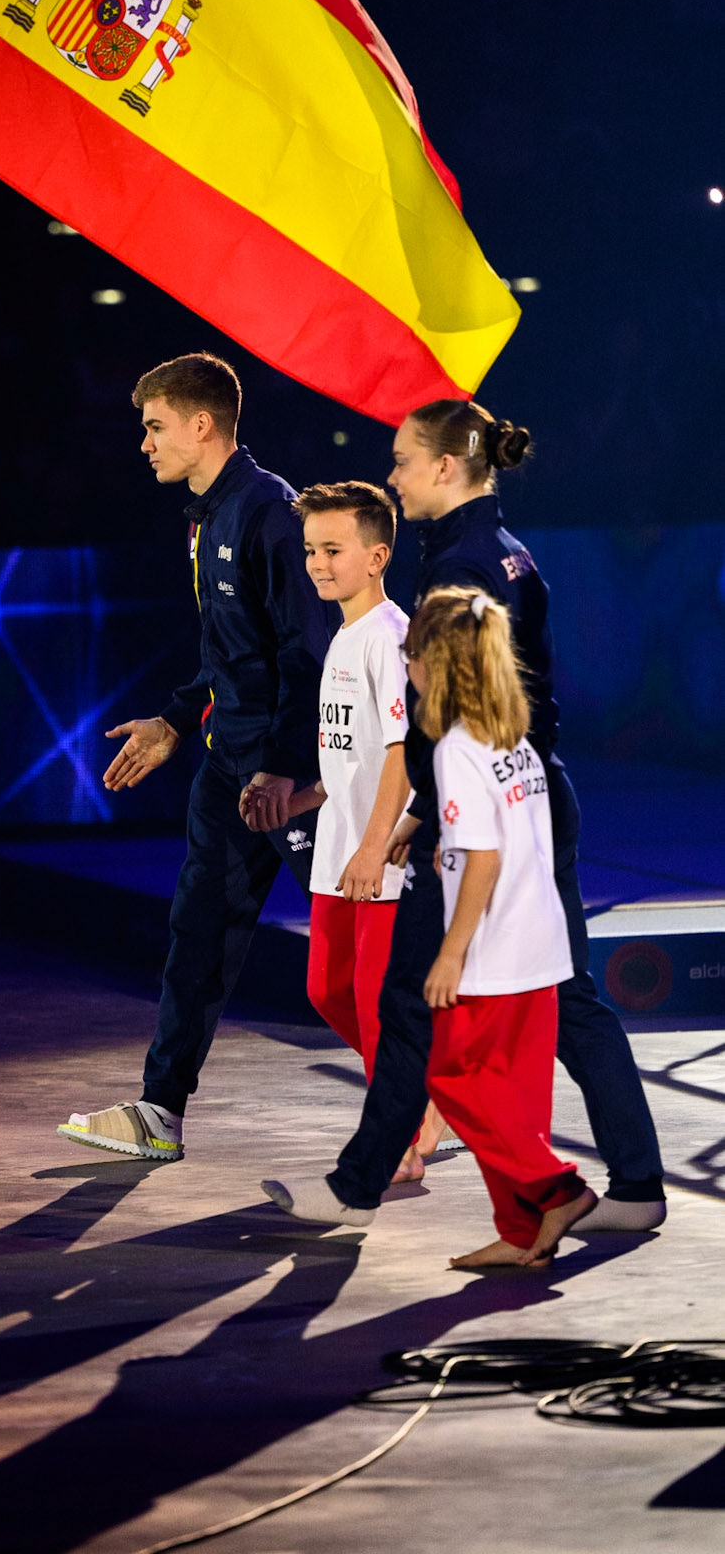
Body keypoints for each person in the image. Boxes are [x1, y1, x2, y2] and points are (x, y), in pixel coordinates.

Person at [264, 400, 663, 1230]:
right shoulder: (502, 551)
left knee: (414, 1005)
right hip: (523, 792)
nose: (394, 475)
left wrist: (416, 823)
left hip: (483, 805)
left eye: (404, 460)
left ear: (446, 468)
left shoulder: (463, 567)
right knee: (562, 998)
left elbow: (450, 714)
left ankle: (379, 1183)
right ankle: (630, 1186)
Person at [58, 353, 332, 1161]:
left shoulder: (270, 513)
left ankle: (441, 1095)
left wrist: (284, 770)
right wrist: (179, 720)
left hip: (296, 777)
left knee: (361, 952)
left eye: (154, 426)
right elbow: (230, 652)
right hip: (229, 769)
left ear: (201, 424)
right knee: (198, 931)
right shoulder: (206, 514)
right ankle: (160, 1111)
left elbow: (306, 654)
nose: (144, 444)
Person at [410, 587, 596, 1267]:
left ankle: (559, 1189)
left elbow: (485, 857)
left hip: (493, 950)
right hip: (539, 941)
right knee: (517, 1102)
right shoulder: (511, 735)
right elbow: (506, 835)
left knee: (447, 1076)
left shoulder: (457, 747)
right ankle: (521, 1234)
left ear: (435, 662)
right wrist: (448, 850)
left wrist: (450, 955)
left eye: (412, 657)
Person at [293, 483, 412, 1085]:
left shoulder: (390, 637)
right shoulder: (344, 635)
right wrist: (305, 796)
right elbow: (352, 748)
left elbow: (405, 749)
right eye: (312, 549)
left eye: (333, 549)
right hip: (337, 848)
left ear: (377, 557)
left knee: (375, 1002)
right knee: (326, 989)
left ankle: (402, 1120)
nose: (318, 562)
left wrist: (374, 846)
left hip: (383, 855)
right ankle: (415, 1094)